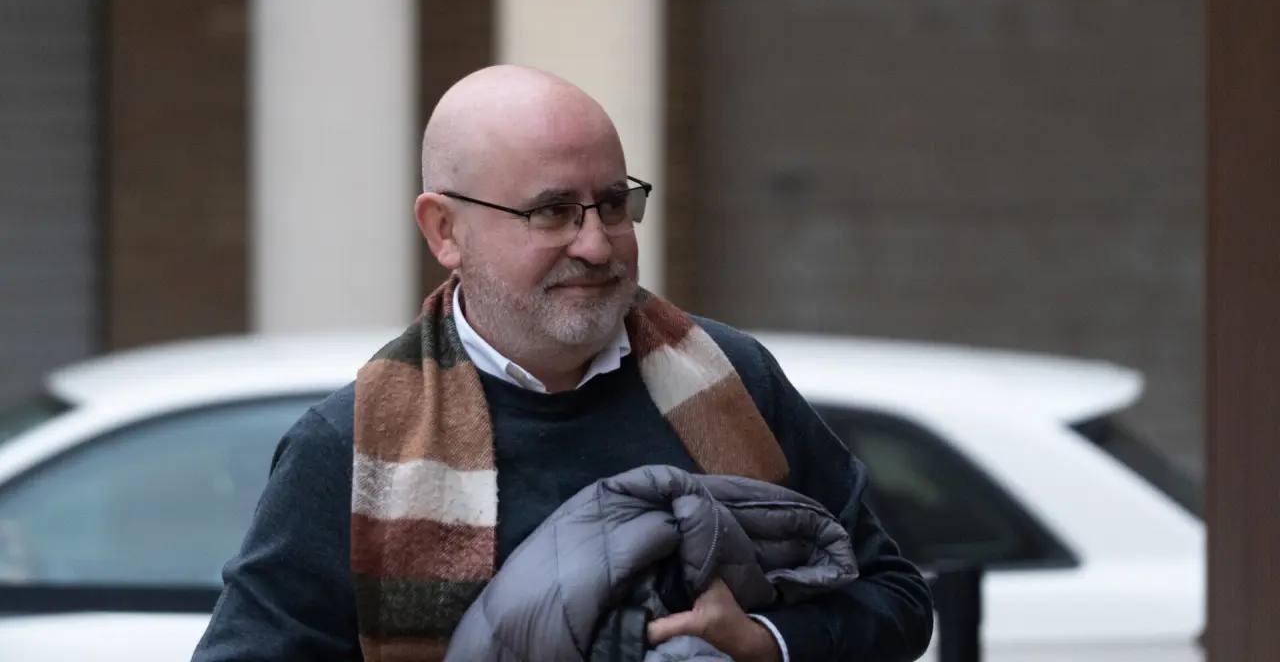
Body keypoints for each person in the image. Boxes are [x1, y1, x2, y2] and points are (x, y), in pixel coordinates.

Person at [191, 65, 934, 662]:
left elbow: (895, 597)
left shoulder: (731, 377)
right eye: (551, 212)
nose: (597, 243)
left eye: (612, 203)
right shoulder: (352, 447)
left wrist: (764, 644)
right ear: (444, 230)